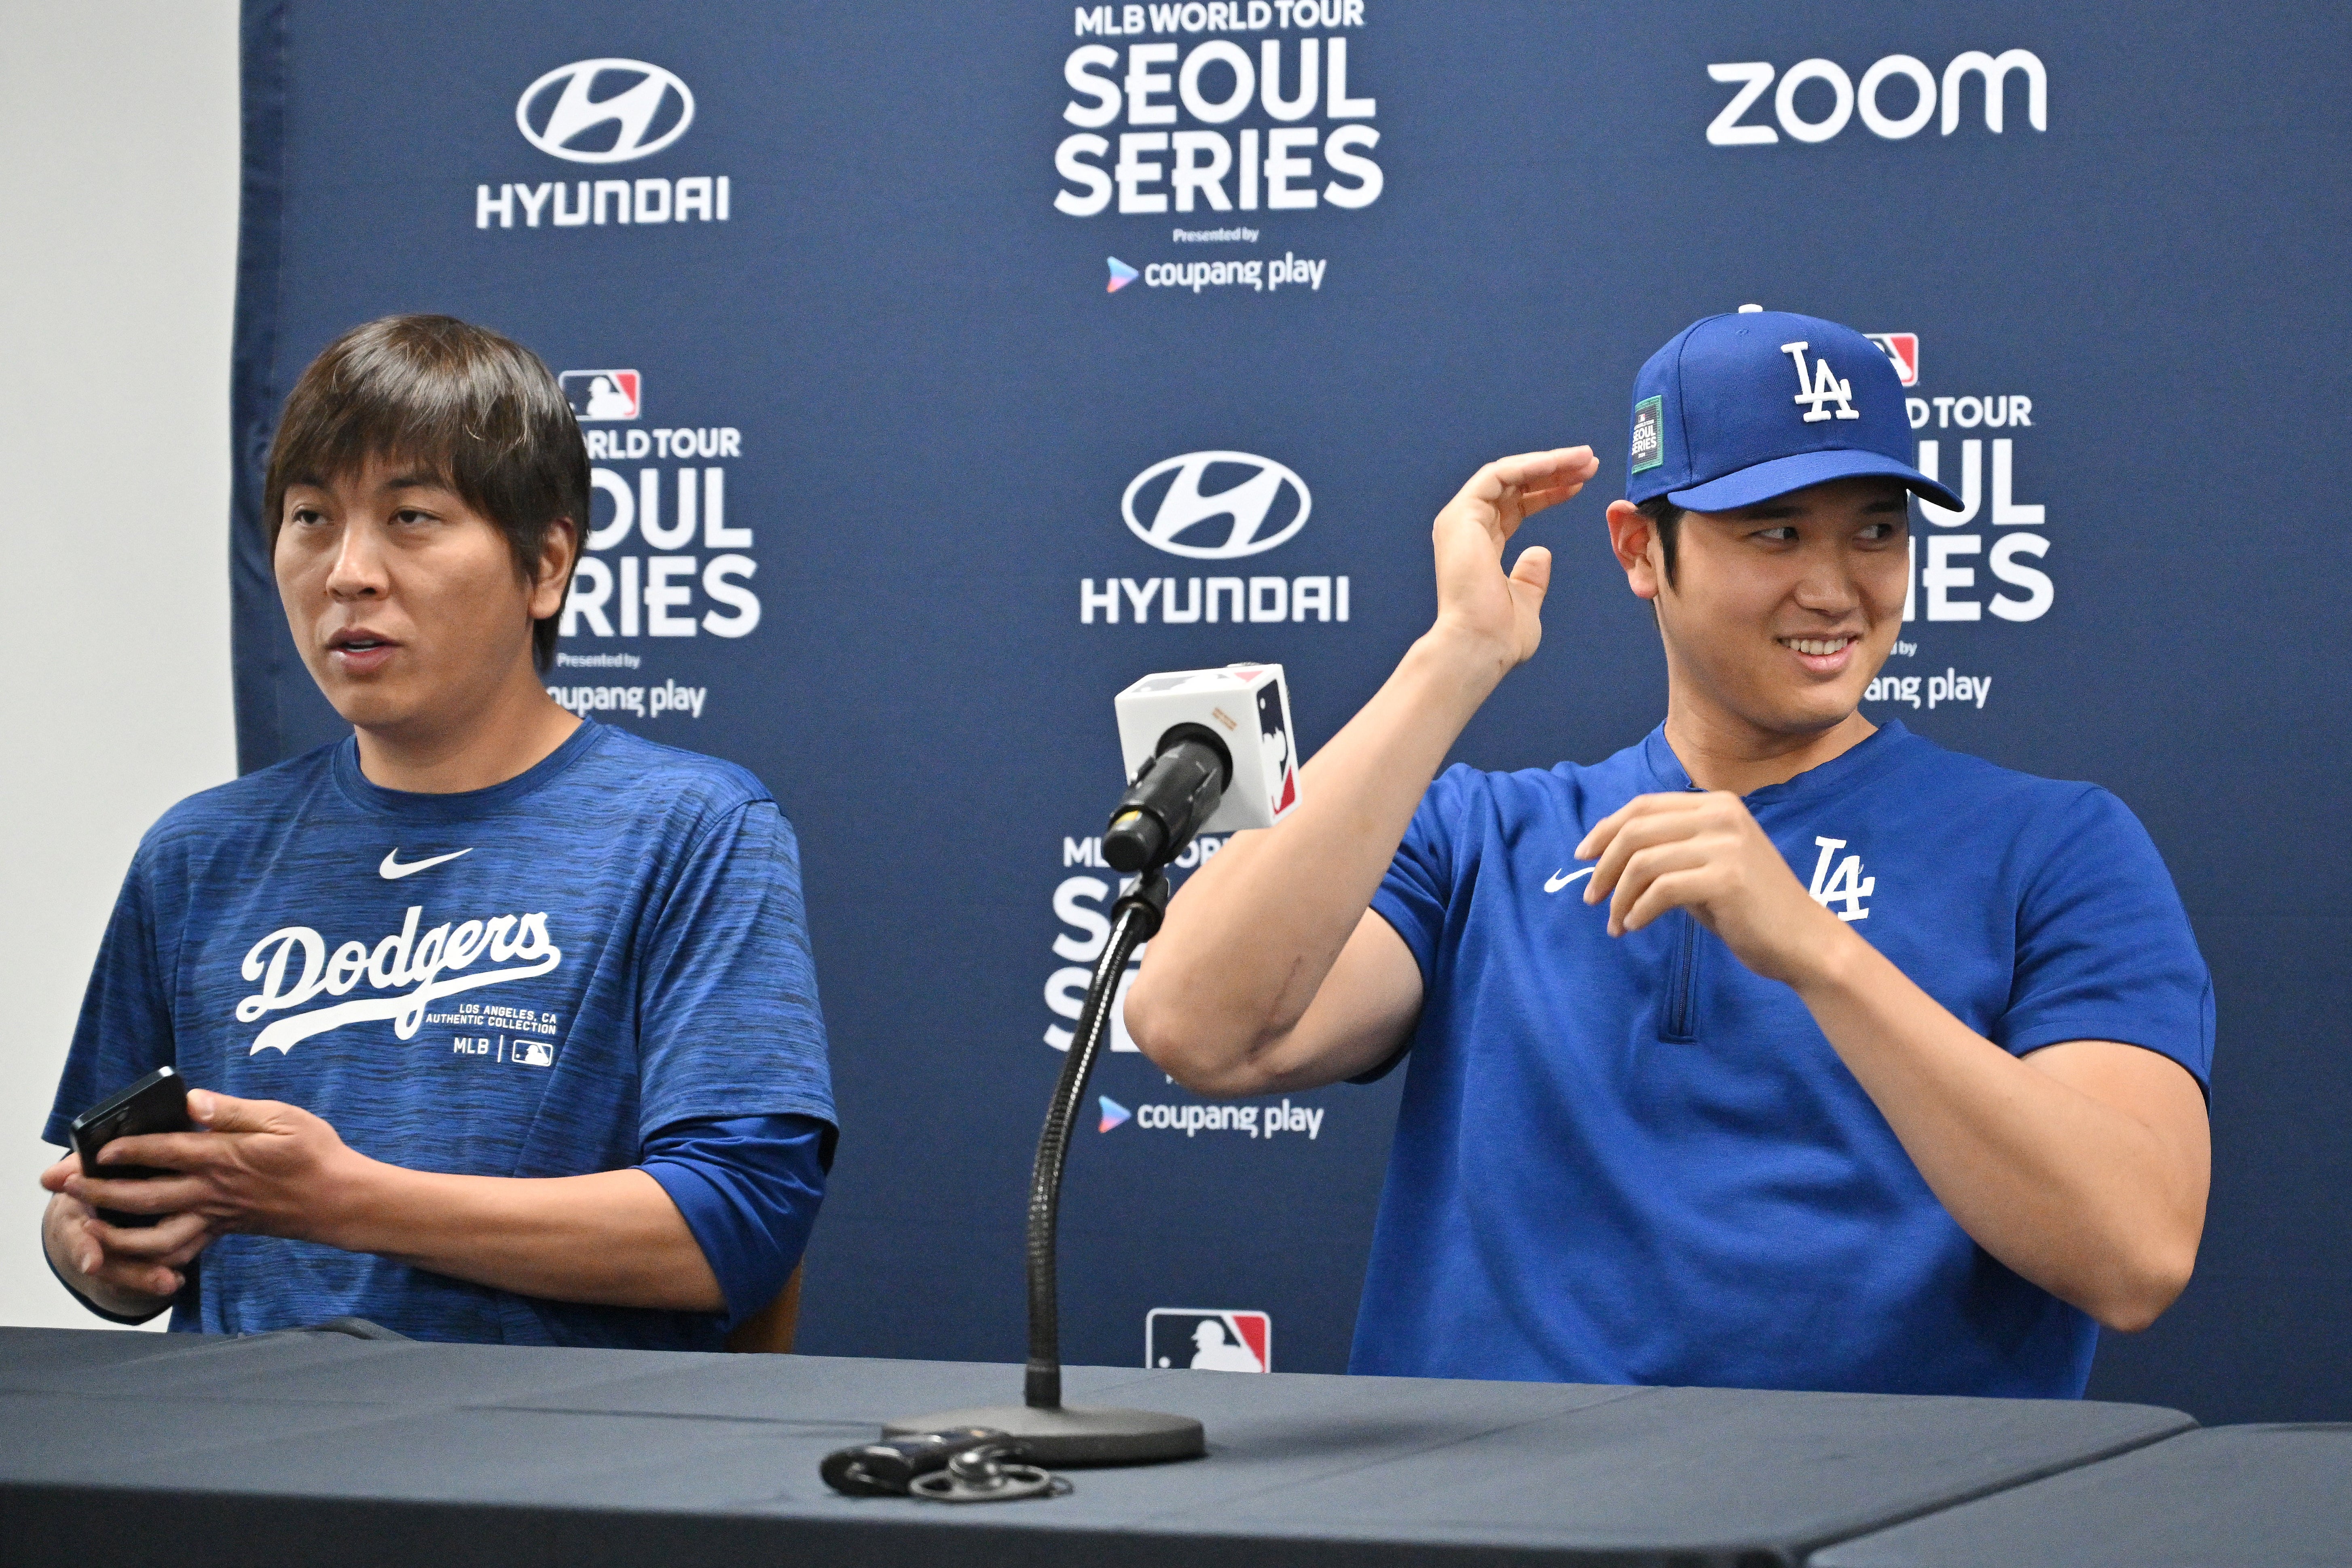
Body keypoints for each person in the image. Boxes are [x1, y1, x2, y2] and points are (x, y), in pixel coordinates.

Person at [1126, 308, 2212, 1397]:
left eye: (1877, 531)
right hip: (1481, 1521)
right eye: (1776, 532)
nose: (1836, 586)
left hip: (1871, 1526)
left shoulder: (2059, 845)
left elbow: (2134, 1254)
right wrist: (1454, 656)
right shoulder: (1482, 837)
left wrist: (1816, 952)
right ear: (1644, 550)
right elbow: (1197, 1025)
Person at [40, 315, 835, 1350]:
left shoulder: (692, 831)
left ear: (545, 563)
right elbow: (107, 1228)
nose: (348, 572)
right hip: (234, 1469)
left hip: (552, 1480)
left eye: (411, 517)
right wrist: (97, 1241)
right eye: (311, 517)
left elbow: (735, 1228)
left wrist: (341, 1199)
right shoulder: (199, 853)